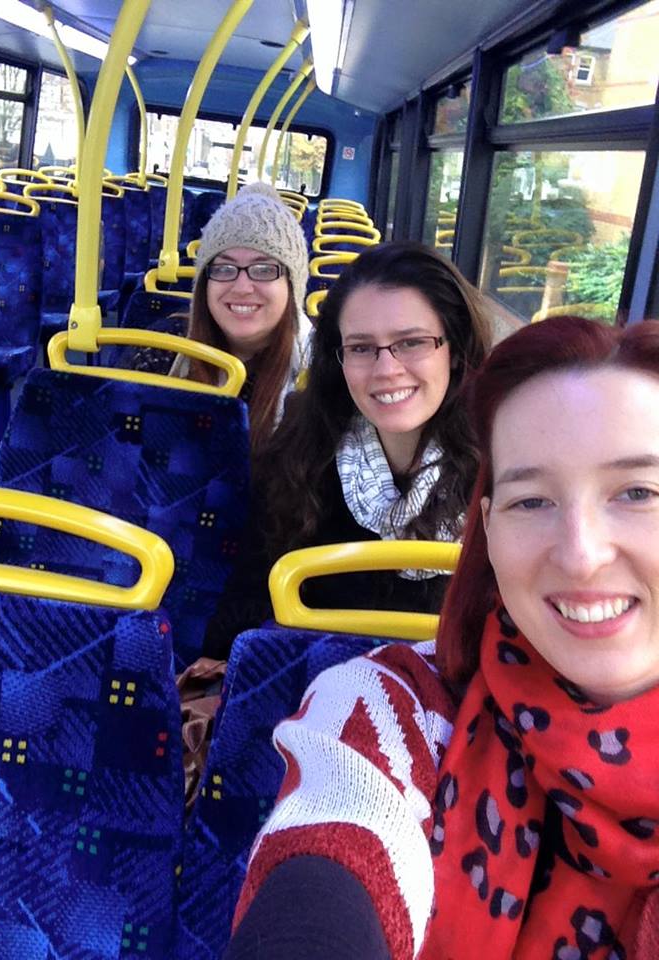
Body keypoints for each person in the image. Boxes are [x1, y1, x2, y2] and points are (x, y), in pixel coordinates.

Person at [225, 315, 659, 959]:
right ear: (488, 527)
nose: (581, 556)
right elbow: (338, 836)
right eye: (531, 501)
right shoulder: (394, 709)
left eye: (638, 492)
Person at [202, 241, 492, 659]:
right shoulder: (299, 454)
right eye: (361, 348)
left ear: (455, 351)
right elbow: (248, 597)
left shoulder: (503, 475)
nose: (387, 370)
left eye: (412, 342)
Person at [169, 181, 311, 455]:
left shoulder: (319, 374)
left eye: (263, 269)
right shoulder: (162, 351)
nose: (242, 287)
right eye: (224, 268)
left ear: (292, 286)